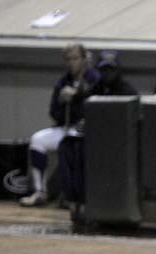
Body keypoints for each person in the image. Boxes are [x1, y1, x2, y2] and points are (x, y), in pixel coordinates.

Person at [57, 50, 138, 225]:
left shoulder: (127, 90)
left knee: (86, 152)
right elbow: (80, 115)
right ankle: (75, 200)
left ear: (118, 70)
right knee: (69, 146)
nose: (107, 74)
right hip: (96, 142)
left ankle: (91, 204)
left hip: (119, 146)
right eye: (104, 70)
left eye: (111, 70)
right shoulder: (95, 88)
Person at [19, 43, 100, 207]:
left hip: (88, 129)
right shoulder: (63, 82)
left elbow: (95, 108)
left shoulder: (94, 79)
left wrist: (77, 96)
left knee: (74, 143)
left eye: (75, 58)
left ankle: (75, 196)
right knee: (38, 140)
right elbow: (54, 113)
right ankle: (40, 192)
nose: (72, 63)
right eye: (68, 59)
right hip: (66, 126)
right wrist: (62, 101)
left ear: (84, 59)